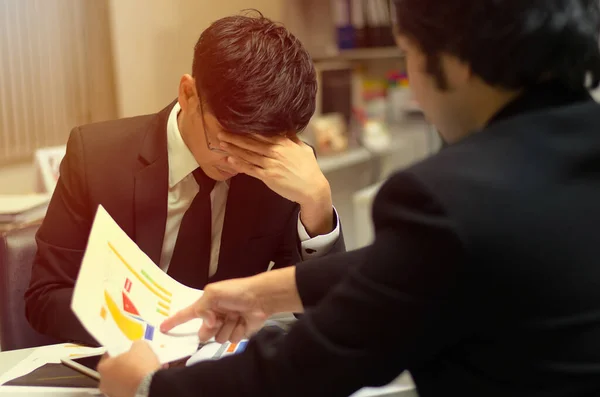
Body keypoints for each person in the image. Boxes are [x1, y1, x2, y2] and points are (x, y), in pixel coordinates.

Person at [98, 0, 600, 396]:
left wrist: (150, 388)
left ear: (455, 61)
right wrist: (267, 292)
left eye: (408, 57)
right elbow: (418, 265)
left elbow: (303, 372)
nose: (416, 95)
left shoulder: (449, 197)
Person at [25, 11, 345, 347]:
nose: (237, 163)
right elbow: (46, 298)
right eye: (225, 142)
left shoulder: (278, 170)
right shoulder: (97, 157)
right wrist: (154, 326)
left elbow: (328, 315)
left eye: (258, 151)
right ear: (188, 94)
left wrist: (317, 204)